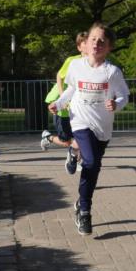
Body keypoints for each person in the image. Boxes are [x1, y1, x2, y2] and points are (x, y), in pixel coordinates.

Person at [49, 23, 129, 236]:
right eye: (93, 39)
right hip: (80, 121)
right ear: (86, 43)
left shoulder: (112, 72)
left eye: (102, 41)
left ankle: (81, 203)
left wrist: (117, 104)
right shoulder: (76, 66)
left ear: (109, 47)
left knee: (93, 168)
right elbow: (71, 89)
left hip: (103, 126)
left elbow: (124, 95)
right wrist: (58, 103)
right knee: (90, 161)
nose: (97, 43)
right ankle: (85, 211)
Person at [41, 32, 88, 173]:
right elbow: (59, 76)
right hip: (62, 105)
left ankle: (77, 160)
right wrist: (62, 98)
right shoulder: (72, 61)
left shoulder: (94, 62)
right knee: (67, 140)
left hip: (78, 106)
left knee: (81, 137)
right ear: (79, 47)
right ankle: (48, 137)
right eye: (85, 43)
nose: (90, 45)